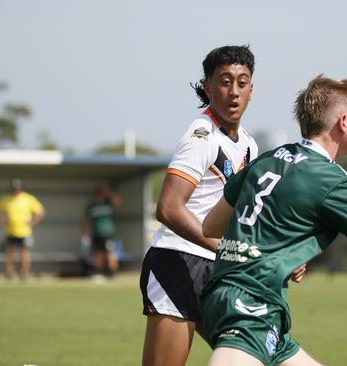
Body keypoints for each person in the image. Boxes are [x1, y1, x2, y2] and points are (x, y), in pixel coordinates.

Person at [199, 75, 347, 366]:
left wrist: (279, 251)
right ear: (343, 122)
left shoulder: (268, 159)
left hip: (225, 293)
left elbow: (211, 226)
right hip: (252, 304)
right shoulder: (332, 181)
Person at [139, 45, 259, 366]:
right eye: (224, 81)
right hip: (177, 262)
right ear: (207, 87)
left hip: (219, 270)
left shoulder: (248, 144)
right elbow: (168, 208)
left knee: (254, 353)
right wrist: (222, 246)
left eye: (242, 82)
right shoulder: (201, 135)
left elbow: (244, 216)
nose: (234, 91)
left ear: (251, 89)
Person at [0, 179, 45, 281]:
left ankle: (24, 272)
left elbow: (40, 211)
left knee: (24, 252)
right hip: (10, 231)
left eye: (17, 189)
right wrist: (1, 220)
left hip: (24, 232)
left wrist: (33, 221)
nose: (15, 191)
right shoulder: (6, 199)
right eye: (14, 189)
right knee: (10, 252)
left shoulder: (28, 199)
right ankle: (9, 273)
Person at [82, 184, 122, 282]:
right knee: (97, 254)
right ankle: (98, 273)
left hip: (108, 233)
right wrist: (85, 234)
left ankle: (112, 273)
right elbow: (85, 220)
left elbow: (118, 203)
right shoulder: (91, 205)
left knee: (109, 252)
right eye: (100, 193)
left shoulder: (108, 202)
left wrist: (109, 193)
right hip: (96, 233)